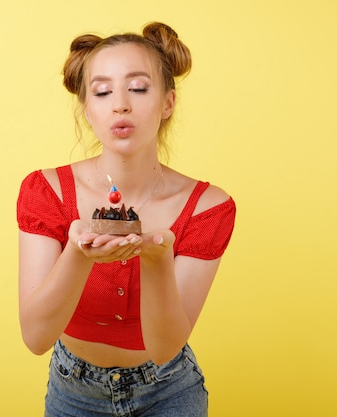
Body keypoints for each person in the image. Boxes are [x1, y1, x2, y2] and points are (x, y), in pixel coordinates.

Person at [16, 22, 236, 417]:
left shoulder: (208, 208)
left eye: (138, 88)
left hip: (170, 394)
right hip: (72, 394)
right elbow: (35, 337)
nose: (120, 104)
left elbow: (165, 347)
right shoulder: (45, 192)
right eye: (102, 91)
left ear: (168, 102)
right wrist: (79, 252)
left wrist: (156, 260)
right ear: (87, 107)